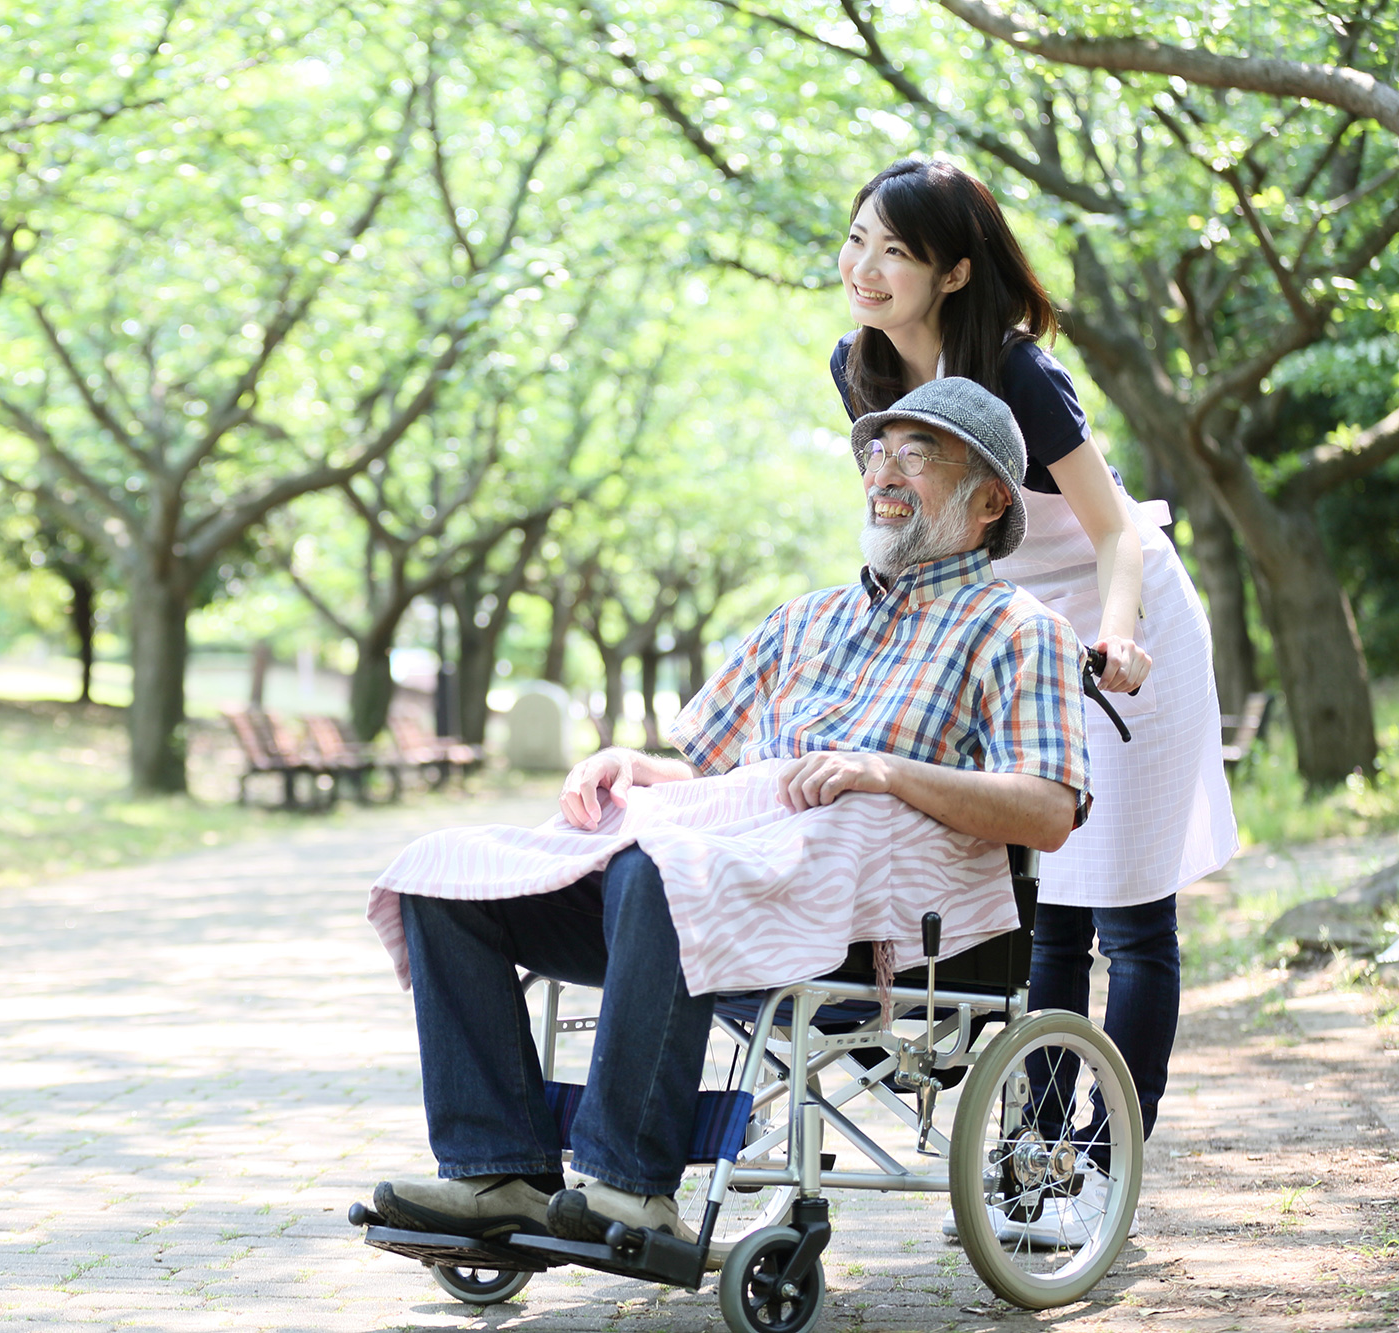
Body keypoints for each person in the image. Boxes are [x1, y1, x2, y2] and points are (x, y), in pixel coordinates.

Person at [364, 379, 1090, 1250]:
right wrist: (631, 764)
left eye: (916, 453)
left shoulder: (1019, 629)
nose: (884, 473)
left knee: (657, 867)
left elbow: (1049, 810)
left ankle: (632, 1188)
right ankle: (499, 1171)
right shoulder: (804, 620)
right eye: (875, 451)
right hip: (703, 880)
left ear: (990, 500)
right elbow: (707, 773)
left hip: (857, 915)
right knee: (445, 878)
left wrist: (887, 771)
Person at [832, 157, 1238, 1246]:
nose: (862, 268)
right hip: (1009, 629)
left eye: (895, 251)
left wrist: (1114, 635)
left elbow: (1112, 531)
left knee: (1128, 915)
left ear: (955, 272)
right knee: (1044, 913)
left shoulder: (1019, 375)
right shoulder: (856, 366)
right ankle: (1036, 1157)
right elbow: (897, 516)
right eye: (856, 238)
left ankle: (1103, 1168)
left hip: (1122, 621)